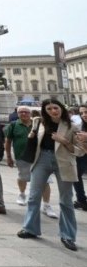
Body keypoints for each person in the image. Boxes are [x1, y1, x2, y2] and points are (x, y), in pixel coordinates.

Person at [17, 99, 84, 251]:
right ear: (44, 111)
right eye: (49, 109)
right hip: (42, 159)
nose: (53, 111)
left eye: (55, 107)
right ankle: (30, 228)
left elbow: (80, 151)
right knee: (34, 196)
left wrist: (65, 142)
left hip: (64, 161)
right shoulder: (40, 123)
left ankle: (68, 235)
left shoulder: (72, 126)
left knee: (66, 200)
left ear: (61, 108)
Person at [5, 106, 58, 217]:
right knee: (23, 176)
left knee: (46, 181)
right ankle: (22, 194)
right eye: (21, 112)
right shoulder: (13, 125)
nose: (24, 114)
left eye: (26, 112)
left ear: (30, 113)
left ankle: (46, 205)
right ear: (17, 114)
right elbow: (8, 141)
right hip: (22, 156)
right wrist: (9, 156)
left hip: (40, 156)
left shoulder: (39, 124)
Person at [74, 104, 87, 211]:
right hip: (81, 155)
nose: (84, 115)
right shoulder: (80, 125)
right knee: (76, 176)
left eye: (86, 112)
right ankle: (81, 200)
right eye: (81, 113)